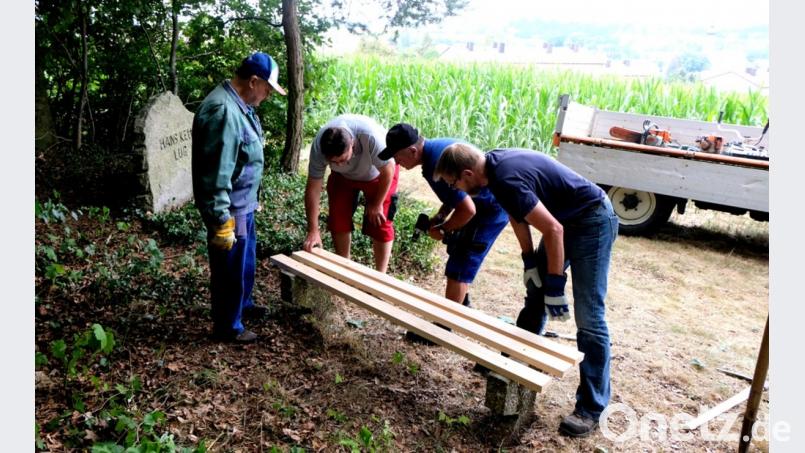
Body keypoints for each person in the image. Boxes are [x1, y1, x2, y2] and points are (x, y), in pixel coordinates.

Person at [433, 143, 618, 438]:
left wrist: (556, 283)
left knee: (589, 316)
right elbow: (517, 215)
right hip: (562, 220)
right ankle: (518, 365)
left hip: (591, 220)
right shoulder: (490, 169)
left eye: (456, 184)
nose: (459, 191)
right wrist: (529, 259)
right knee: (535, 296)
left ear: (468, 173)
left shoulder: (504, 177)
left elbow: (553, 230)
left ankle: (591, 408)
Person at [377, 124, 508, 343]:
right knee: (458, 256)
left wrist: (444, 230)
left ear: (412, 151)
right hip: (481, 206)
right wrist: (440, 218)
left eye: (398, 156)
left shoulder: (434, 164)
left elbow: (468, 209)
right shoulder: (436, 150)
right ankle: (460, 305)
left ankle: (443, 329)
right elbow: (455, 195)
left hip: (488, 210)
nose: (397, 162)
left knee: (460, 265)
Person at [191, 51, 286, 343]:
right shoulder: (223, 111)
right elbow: (216, 172)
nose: (268, 95)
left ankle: (242, 306)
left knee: (244, 264)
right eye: (267, 89)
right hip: (230, 209)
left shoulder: (240, 106)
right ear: (253, 81)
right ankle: (228, 326)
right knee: (229, 269)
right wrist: (221, 219)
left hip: (244, 204)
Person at [303, 114, 399, 273]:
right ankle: (344, 267)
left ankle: (380, 277)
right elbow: (313, 188)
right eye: (334, 162)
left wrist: (376, 204)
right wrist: (313, 230)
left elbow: (388, 170)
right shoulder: (319, 147)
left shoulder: (371, 137)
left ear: (352, 144)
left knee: (380, 222)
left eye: (343, 160)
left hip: (378, 174)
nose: (339, 164)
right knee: (337, 218)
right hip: (342, 178)